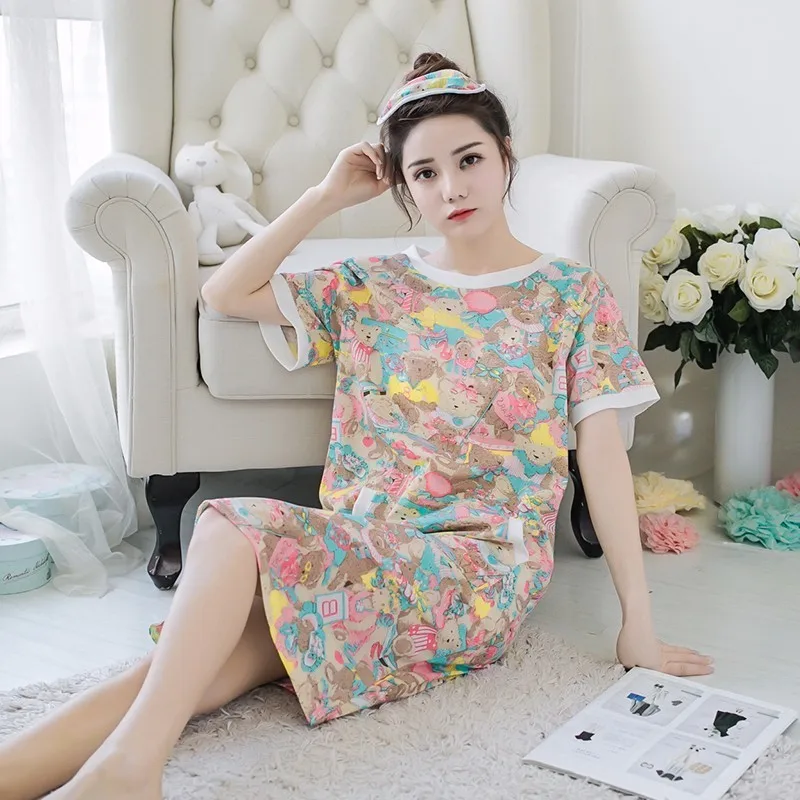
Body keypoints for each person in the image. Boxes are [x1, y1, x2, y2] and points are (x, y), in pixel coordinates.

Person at [0, 52, 714, 800]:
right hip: (355, 557)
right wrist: (323, 197)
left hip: (477, 577)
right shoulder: (374, 285)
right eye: (425, 173)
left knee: (226, 528)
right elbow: (225, 293)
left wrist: (637, 622)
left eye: (469, 159)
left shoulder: (570, 293)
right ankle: (94, 773)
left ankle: (129, 771)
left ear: (505, 155)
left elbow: (601, 454)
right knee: (181, 672)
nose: (451, 187)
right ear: (403, 186)